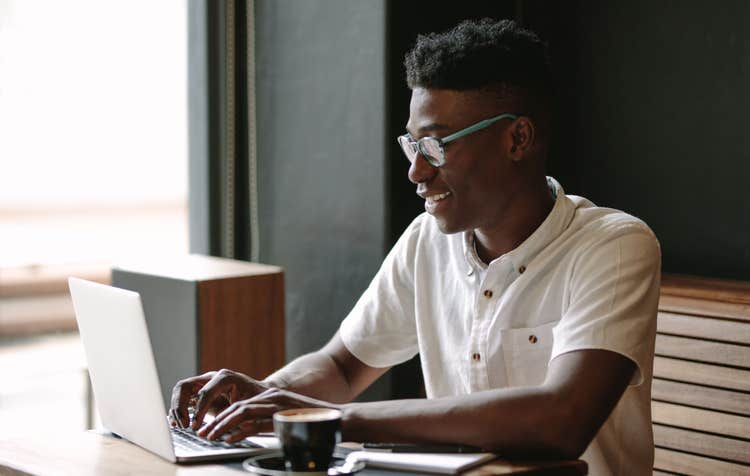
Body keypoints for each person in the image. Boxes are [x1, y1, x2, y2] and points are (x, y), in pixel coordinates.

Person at [169, 18, 660, 475]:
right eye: (412, 145)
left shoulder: (613, 247)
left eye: (436, 146)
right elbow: (341, 365)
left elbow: (560, 419)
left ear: (518, 138)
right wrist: (262, 399)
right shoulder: (428, 241)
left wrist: (334, 419)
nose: (417, 172)